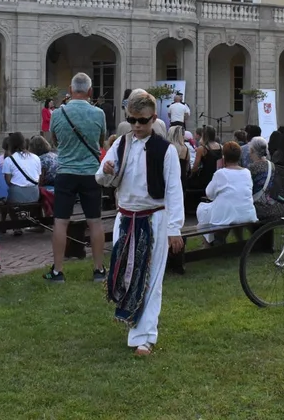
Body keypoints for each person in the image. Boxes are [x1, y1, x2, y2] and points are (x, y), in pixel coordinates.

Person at [97, 89, 184, 357]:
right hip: (126, 218)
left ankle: (145, 337)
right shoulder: (121, 143)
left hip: (154, 217)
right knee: (127, 273)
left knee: (152, 279)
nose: (137, 126)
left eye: (142, 121)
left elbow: (174, 190)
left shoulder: (166, 150)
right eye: (132, 120)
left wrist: (174, 229)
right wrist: (107, 171)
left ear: (153, 118)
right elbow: (101, 177)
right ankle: (132, 320)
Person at [46, 72, 108, 283]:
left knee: (61, 222)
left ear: (70, 90)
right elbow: (101, 141)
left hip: (65, 172)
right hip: (91, 172)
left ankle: (58, 271)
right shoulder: (99, 113)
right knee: (95, 221)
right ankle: (99, 269)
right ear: (90, 92)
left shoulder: (57, 114)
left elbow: (53, 141)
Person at [196, 141, 257, 244]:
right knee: (228, 206)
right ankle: (237, 240)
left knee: (203, 209)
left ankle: (208, 243)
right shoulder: (246, 172)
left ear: (224, 157)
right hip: (247, 212)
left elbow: (209, 194)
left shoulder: (221, 173)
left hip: (227, 214)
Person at [1, 132, 42, 204]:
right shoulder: (36, 157)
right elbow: (39, 178)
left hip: (17, 195)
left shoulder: (8, 160)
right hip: (34, 194)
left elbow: (8, 181)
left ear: (10, 145)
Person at [190, 126, 223, 192]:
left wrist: (190, 174)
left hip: (205, 178)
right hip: (217, 176)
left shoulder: (202, 148)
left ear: (204, 135)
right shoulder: (221, 147)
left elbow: (196, 166)